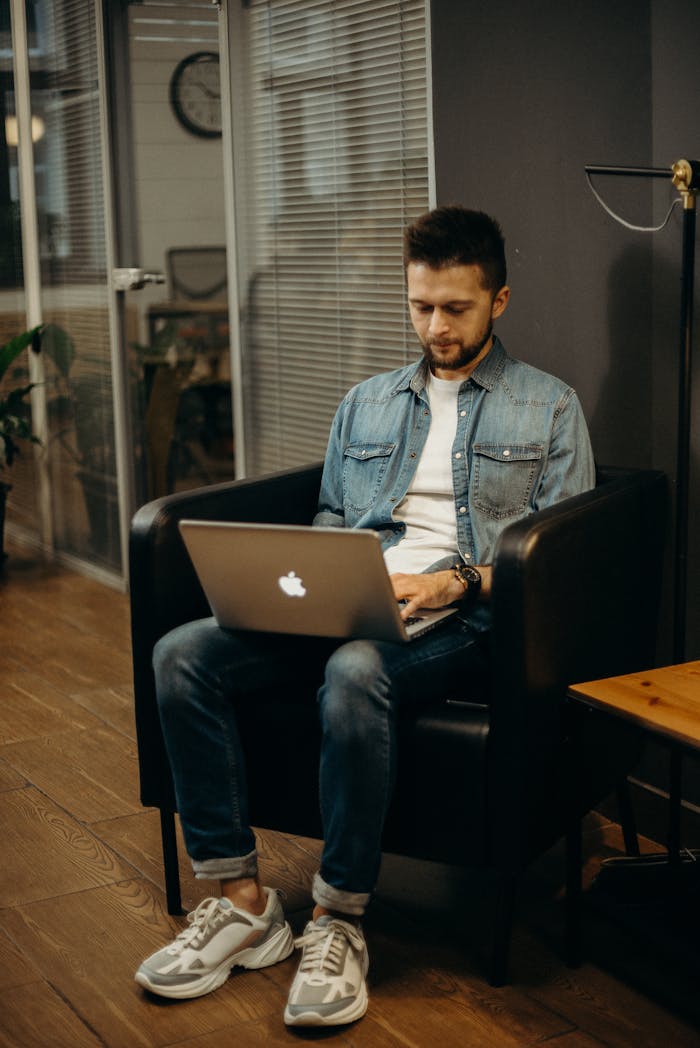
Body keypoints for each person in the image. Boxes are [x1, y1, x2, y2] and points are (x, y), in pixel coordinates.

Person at [135, 206, 595, 1026]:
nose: (436, 325)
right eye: (421, 305)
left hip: (461, 623)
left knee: (354, 671)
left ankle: (338, 919)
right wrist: (305, 585)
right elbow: (330, 521)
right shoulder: (367, 402)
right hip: (345, 602)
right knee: (180, 654)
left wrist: (455, 582)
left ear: (500, 300)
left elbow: (561, 562)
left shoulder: (550, 408)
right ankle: (244, 905)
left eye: (455, 307)